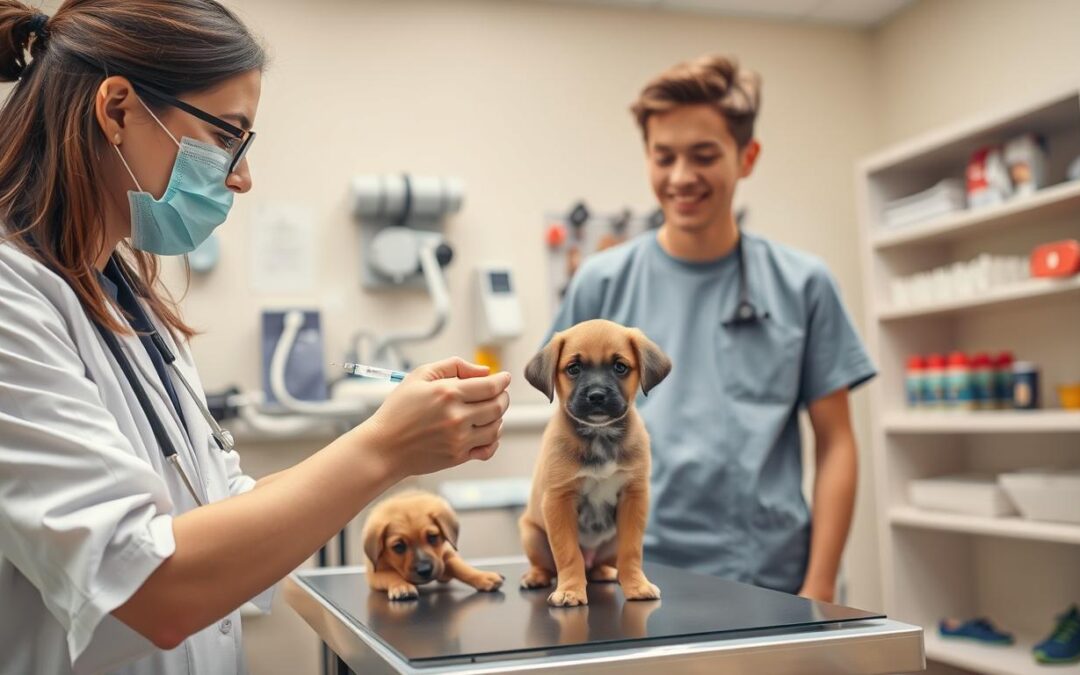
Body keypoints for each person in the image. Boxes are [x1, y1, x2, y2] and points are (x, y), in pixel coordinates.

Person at [0, 2, 510, 673]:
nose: (241, 177)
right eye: (227, 137)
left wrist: (393, 433)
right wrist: (384, 449)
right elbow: (150, 588)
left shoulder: (137, 306)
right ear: (118, 109)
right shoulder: (13, 297)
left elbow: (225, 508)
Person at [547, 55, 876, 601]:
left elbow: (837, 441)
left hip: (770, 575)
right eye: (664, 156)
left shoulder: (804, 284)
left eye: (703, 156)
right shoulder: (600, 285)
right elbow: (563, 422)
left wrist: (819, 584)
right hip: (629, 573)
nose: (681, 177)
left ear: (747, 157)